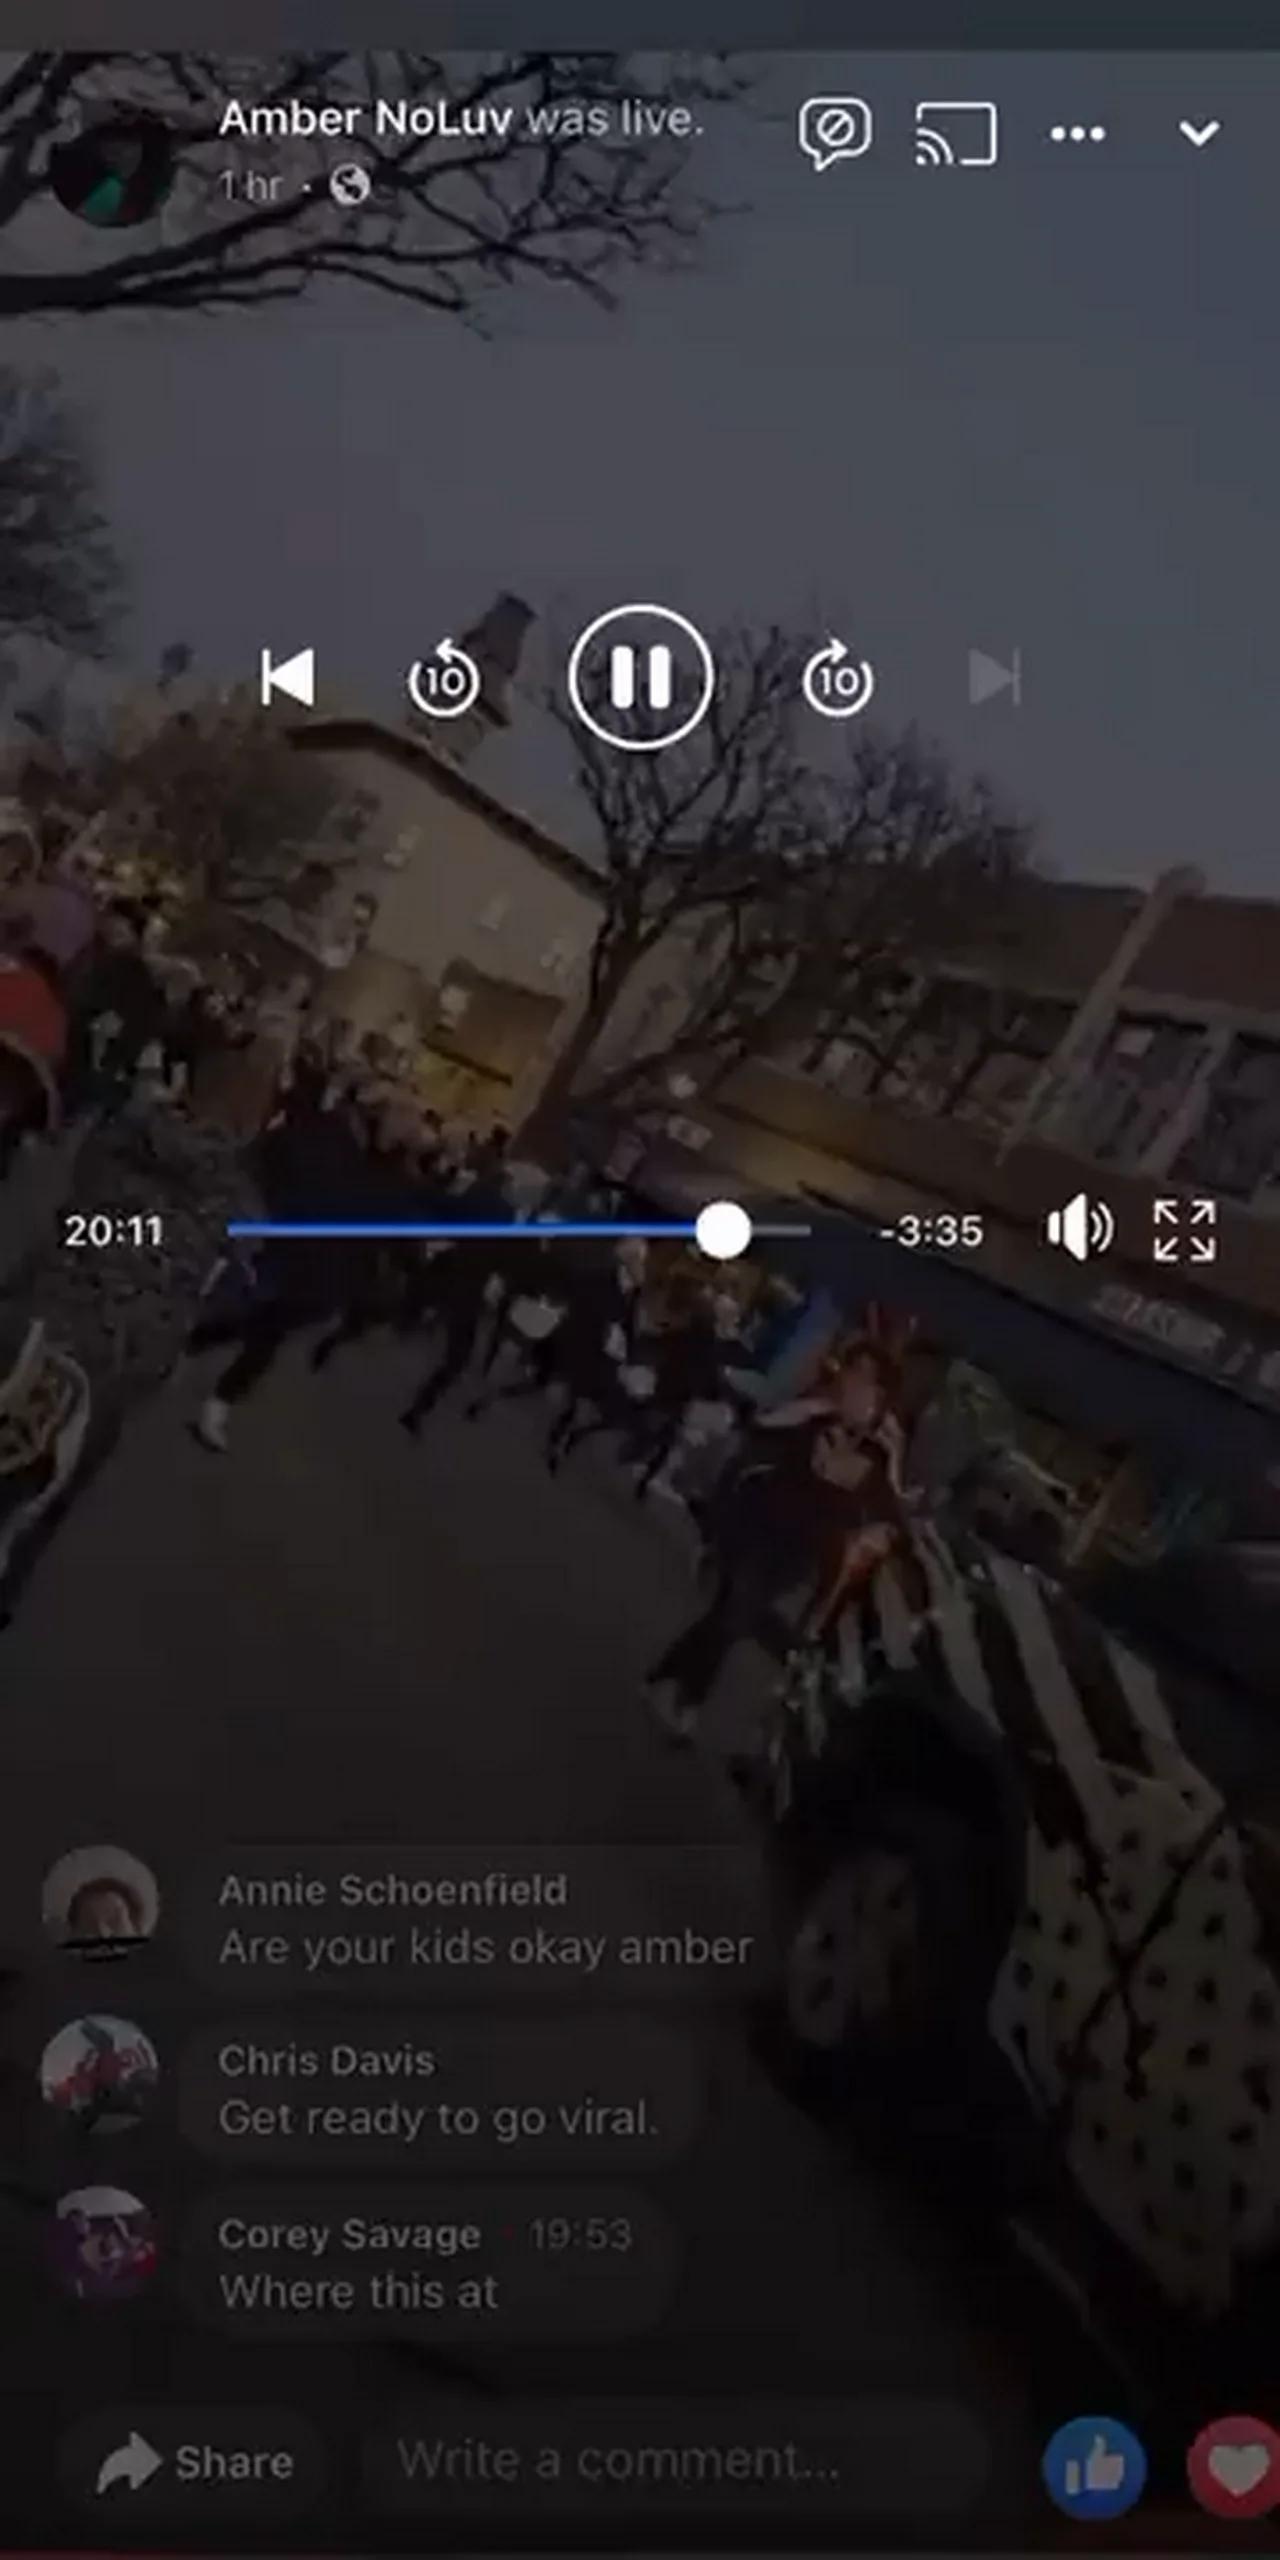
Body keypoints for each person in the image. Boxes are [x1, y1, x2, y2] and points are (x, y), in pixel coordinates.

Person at [643, 1341, 907, 1743]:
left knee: (728, 1616)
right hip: (759, 1528)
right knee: (735, 1615)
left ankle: (661, 1677)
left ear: (880, 1397)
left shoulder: (879, 1452)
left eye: (866, 1381)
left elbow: (891, 1510)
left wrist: (896, 1460)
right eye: (853, 1374)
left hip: (799, 1553)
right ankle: (688, 1705)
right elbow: (760, 1425)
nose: (855, 1386)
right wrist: (805, 1410)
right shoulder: (815, 1417)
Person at [187, 1084, 369, 1451]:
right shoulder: (334, 1145)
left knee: (257, 1330)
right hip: (290, 1255)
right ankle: (205, 1386)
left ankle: (208, 1389)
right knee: (250, 1325)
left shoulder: (329, 1140)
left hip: (294, 1256)